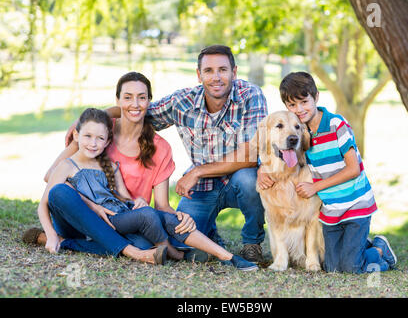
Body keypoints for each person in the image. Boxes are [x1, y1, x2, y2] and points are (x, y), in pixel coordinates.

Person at [65, 45, 268, 263]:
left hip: (238, 179)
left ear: (234, 72)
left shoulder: (251, 96)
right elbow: (138, 110)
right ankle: (210, 234)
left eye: (222, 70)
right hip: (202, 188)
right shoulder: (182, 102)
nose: (216, 77)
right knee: (182, 240)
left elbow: (250, 153)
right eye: (208, 71)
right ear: (199, 75)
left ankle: (251, 243)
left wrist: (198, 171)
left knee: (249, 179)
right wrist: (92, 119)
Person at [29, 106, 257, 270]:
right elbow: (44, 205)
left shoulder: (107, 164)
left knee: (151, 228)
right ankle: (147, 253)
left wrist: (137, 202)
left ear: (107, 141)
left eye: (100, 138)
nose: (93, 143)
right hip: (78, 223)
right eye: (87, 136)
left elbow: (124, 197)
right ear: (76, 135)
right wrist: (51, 235)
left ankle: (228, 257)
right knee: (60, 191)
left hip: (114, 219)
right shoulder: (66, 165)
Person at [258, 71, 397, 274]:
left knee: (351, 267)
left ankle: (379, 250)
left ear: (316, 98)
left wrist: (315, 186)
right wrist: (263, 168)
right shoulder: (301, 131)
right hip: (331, 211)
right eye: (292, 105)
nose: (300, 109)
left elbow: (353, 169)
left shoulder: (336, 125)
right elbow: (281, 154)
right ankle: (358, 246)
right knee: (331, 267)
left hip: (355, 205)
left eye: (304, 102)